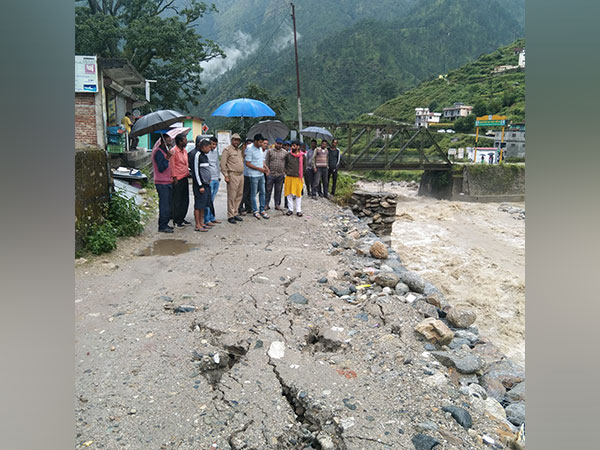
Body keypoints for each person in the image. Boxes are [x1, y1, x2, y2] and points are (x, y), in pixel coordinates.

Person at [188, 138, 215, 232]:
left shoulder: (204, 155)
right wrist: (200, 185)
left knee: (204, 204)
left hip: (206, 184)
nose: (209, 149)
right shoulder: (197, 155)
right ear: (203, 147)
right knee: (198, 205)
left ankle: (202, 222)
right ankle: (197, 225)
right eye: (208, 147)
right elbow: (195, 171)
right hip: (200, 185)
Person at [151, 134, 175, 233]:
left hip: (167, 181)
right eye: (168, 140)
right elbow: (161, 168)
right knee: (164, 205)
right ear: (163, 141)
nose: (170, 142)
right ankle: (162, 226)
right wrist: (167, 158)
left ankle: (165, 223)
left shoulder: (164, 151)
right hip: (162, 182)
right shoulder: (158, 152)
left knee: (168, 204)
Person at [220, 133, 245, 224]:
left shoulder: (239, 151)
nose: (236, 142)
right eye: (235, 140)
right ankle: (230, 215)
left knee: (239, 195)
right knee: (232, 196)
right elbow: (223, 164)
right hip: (232, 175)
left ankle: (235, 213)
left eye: (238, 140)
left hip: (240, 175)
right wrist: (226, 175)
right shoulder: (227, 150)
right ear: (232, 140)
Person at [245, 133, 270, 219]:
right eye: (259, 142)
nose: (261, 144)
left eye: (262, 142)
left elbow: (262, 160)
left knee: (263, 192)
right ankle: (255, 210)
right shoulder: (249, 149)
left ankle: (262, 209)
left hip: (261, 174)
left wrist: (266, 168)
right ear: (255, 141)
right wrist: (259, 169)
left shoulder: (260, 149)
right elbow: (247, 163)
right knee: (253, 193)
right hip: (253, 175)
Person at [169, 133, 191, 227]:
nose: (186, 141)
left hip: (185, 177)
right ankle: (176, 219)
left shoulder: (185, 151)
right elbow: (172, 165)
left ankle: (182, 218)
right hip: (177, 178)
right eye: (184, 140)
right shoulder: (173, 151)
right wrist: (174, 177)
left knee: (185, 199)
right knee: (177, 200)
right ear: (180, 141)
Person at [283, 140, 307, 217]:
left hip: (298, 178)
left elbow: (304, 167)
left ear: (298, 147)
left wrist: (301, 174)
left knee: (298, 194)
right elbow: (285, 164)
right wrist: (286, 171)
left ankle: (298, 210)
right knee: (289, 194)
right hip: (289, 177)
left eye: (294, 145)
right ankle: (290, 210)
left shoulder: (303, 156)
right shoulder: (288, 155)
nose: (292, 147)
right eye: (292, 145)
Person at [265, 137, 287, 211]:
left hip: (280, 175)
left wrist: (284, 171)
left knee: (278, 190)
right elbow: (267, 162)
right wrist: (267, 171)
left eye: (280, 144)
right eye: (278, 143)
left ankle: (277, 204)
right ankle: (266, 204)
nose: (279, 145)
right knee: (268, 190)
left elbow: (286, 163)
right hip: (271, 174)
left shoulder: (285, 152)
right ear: (275, 143)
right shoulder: (270, 151)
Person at [204, 136, 222, 226]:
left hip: (216, 178)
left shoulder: (215, 152)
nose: (214, 146)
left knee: (212, 199)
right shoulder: (205, 153)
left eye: (215, 144)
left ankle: (212, 217)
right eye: (212, 144)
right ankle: (206, 219)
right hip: (209, 179)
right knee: (208, 200)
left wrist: (219, 176)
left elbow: (217, 164)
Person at [238, 138, 253, 216]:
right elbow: (241, 160)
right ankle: (240, 208)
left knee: (250, 192)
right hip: (244, 174)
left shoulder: (253, 151)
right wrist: (244, 152)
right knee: (243, 192)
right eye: (248, 143)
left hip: (252, 174)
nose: (249, 145)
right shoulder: (242, 152)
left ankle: (249, 207)